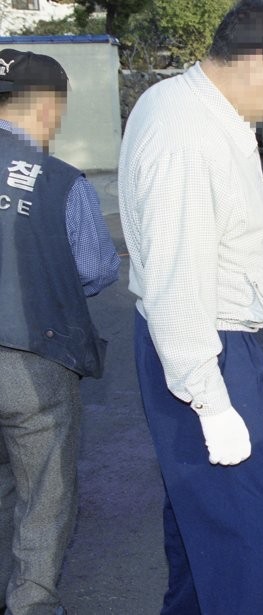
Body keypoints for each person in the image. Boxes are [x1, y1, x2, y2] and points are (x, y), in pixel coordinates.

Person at [117, 2, 263, 613]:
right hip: (203, 348)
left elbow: (206, 227)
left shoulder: (194, 107)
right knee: (249, 539)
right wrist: (210, 402)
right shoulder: (186, 132)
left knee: (202, 526)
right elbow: (173, 278)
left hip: (203, 342)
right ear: (260, 63)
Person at [0, 49, 120, 614]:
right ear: (48, 107)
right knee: (44, 490)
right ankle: (30, 605)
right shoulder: (60, 181)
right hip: (33, 358)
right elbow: (95, 269)